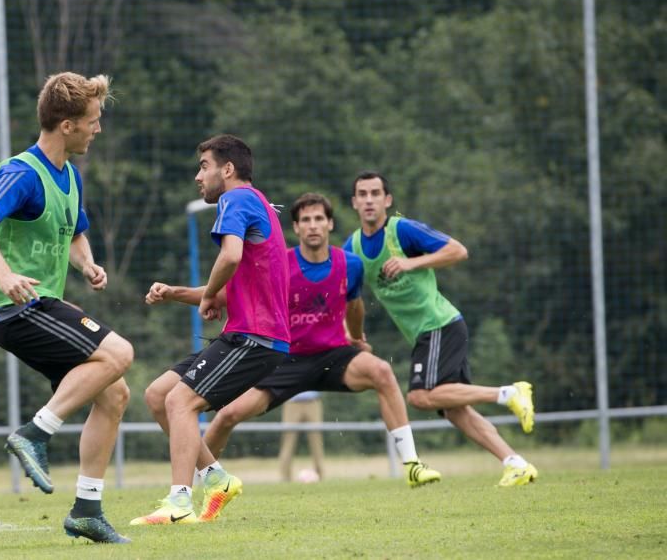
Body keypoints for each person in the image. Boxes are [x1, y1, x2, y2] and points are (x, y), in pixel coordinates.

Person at [144, 192, 440, 522]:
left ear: (330, 224)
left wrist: (356, 338)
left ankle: (412, 463)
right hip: (285, 358)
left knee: (382, 371)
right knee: (226, 415)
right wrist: (175, 293)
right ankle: (207, 487)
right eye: (306, 220)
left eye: (319, 219)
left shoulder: (350, 264)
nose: (313, 225)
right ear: (296, 228)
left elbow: (354, 305)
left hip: (333, 355)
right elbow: (229, 295)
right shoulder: (280, 262)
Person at [0, 72, 134, 544]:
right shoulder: (21, 172)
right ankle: (36, 432)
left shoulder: (70, 176)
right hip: (14, 308)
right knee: (119, 352)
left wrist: (87, 264)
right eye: (92, 121)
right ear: (65, 125)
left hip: (44, 303)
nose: (97, 129)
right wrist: (5, 275)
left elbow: (73, 232)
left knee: (115, 394)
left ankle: (87, 509)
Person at [130, 134, 291, 527]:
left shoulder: (235, 199)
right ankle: (217, 479)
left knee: (179, 403)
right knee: (158, 395)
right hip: (246, 333)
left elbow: (230, 256)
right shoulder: (259, 204)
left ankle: (179, 502)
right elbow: (227, 284)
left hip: (255, 337)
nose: (198, 177)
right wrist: (176, 293)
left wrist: (213, 292)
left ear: (228, 169)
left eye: (203, 166)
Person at [345, 171, 537, 487]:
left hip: (439, 324)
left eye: (375, 194)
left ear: (387, 200)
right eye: (362, 194)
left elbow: (458, 251)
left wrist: (411, 263)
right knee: (454, 411)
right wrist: (350, 333)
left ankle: (508, 393)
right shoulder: (352, 246)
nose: (369, 200)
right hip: (429, 331)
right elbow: (346, 296)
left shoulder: (402, 230)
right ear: (354, 202)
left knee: (420, 397)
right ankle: (515, 463)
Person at [277, 390, 325, 482]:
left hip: (313, 401)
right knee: (288, 441)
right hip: (292, 401)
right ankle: (284, 478)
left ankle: (320, 476)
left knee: (317, 442)